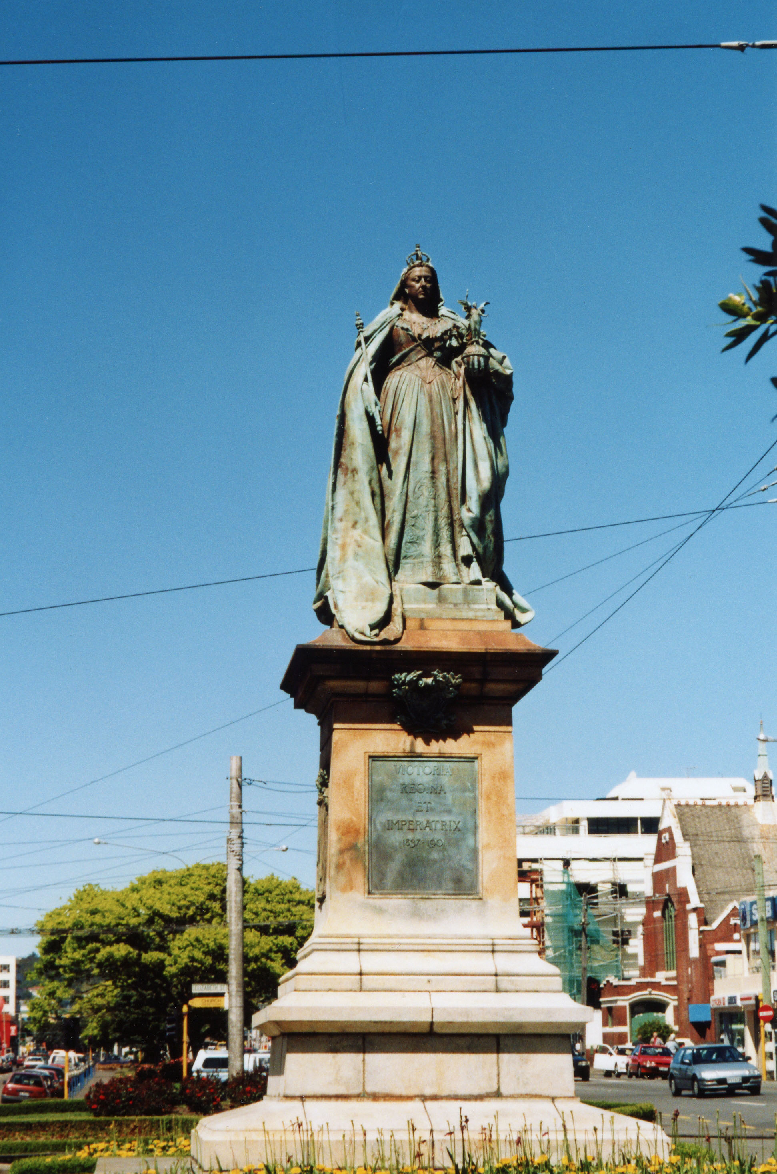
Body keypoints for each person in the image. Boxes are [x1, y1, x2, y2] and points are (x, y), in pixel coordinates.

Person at [314, 247, 534, 642]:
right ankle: (397, 569)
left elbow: (493, 363)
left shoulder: (454, 322)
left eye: (429, 279)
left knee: (449, 483)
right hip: (401, 405)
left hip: (446, 408)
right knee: (401, 486)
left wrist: (477, 361)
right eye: (417, 279)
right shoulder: (389, 323)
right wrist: (362, 399)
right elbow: (362, 374)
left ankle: (456, 568)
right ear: (404, 286)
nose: (424, 284)